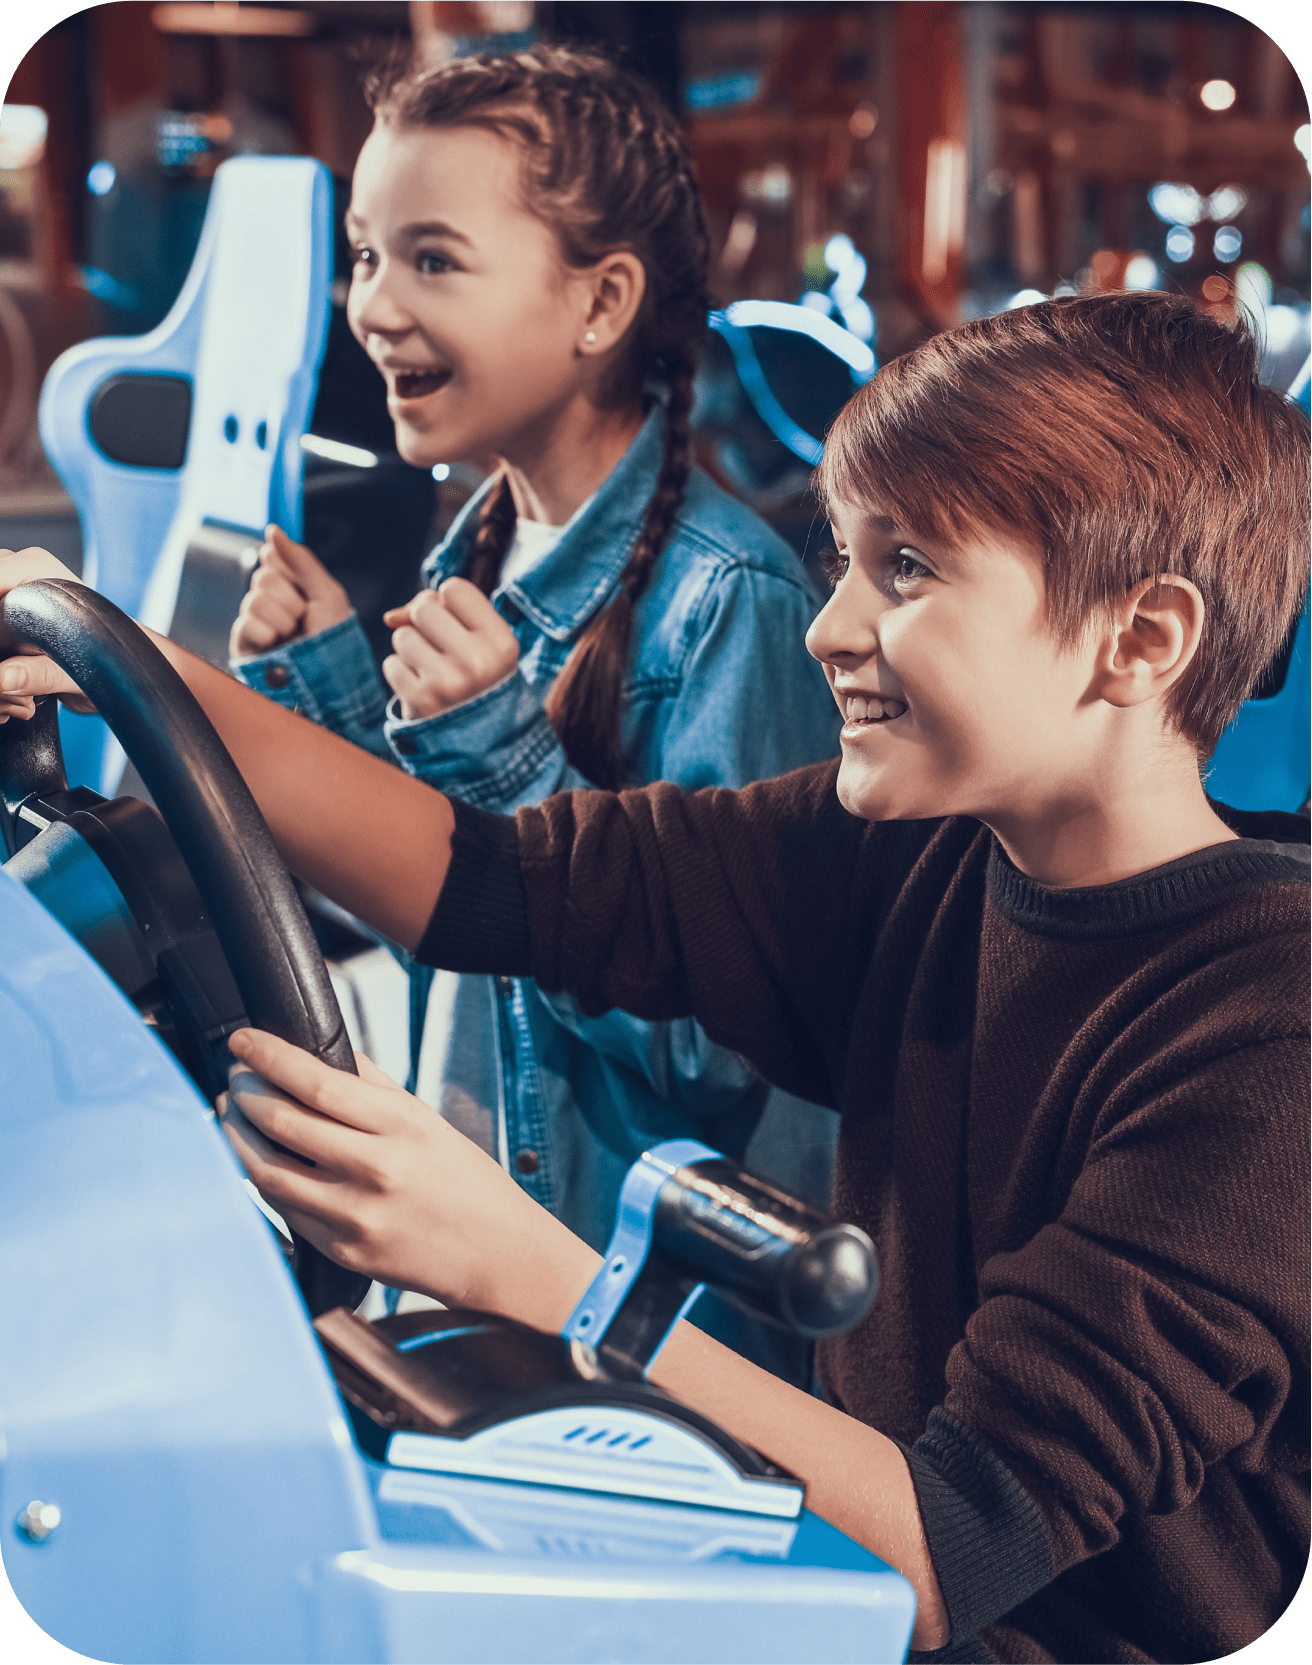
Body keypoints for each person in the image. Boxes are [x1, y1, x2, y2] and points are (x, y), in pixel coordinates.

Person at [1, 293, 1307, 1662]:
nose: (830, 628)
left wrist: (516, 1262)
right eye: (849, 561)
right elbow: (482, 878)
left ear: (1142, 638)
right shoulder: (925, 854)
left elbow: (949, 1546)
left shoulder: (1268, 1034)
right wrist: (115, 668)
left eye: (908, 569)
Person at [222, 45, 838, 1365]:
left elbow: (722, 1050)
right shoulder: (480, 554)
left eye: (432, 260)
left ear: (600, 300)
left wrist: (500, 753)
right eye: (363, 256)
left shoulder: (730, 604)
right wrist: (330, 685)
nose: (371, 308)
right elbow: (434, 913)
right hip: (494, 1287)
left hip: (661, 1352)